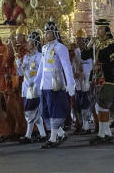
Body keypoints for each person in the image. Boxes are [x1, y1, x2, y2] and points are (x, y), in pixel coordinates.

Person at [35, 20, 76, 148]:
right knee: (45, 109)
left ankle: (53, 138)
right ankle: (61, 133)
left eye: (49, 33)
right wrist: (37, 82)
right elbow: (41, 67)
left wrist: (70, 83)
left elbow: (66, 66)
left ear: (55, 33)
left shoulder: (60, 48)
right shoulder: (44, 48)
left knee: (54, 109)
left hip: (55, 83)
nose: (47, 35)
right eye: (45, 33)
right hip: (44, 84)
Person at [89, 19, 114, 144]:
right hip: (97, 77)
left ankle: (103, 134)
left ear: (106, 30)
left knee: (103, 105)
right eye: (98, 29)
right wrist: (90, 44)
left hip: (107, 77)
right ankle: (106, 133)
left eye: (100, 29)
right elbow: (85, 55)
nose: (98, 31)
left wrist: (101, 65)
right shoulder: (97, 43)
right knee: (99, 106)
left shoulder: (111, 44)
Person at [17, 29, 46, 143]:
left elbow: (41, 72)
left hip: (35, 86)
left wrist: (36, 83)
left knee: (30, 111)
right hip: (26, 87)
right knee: (34, 112)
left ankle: (28, 135)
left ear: (35, 43)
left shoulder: (40, 56)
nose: (27, 44)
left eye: (30, 42)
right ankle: (43, 134)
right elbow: (20, 73)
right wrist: (19, 64)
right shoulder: (26, 57)